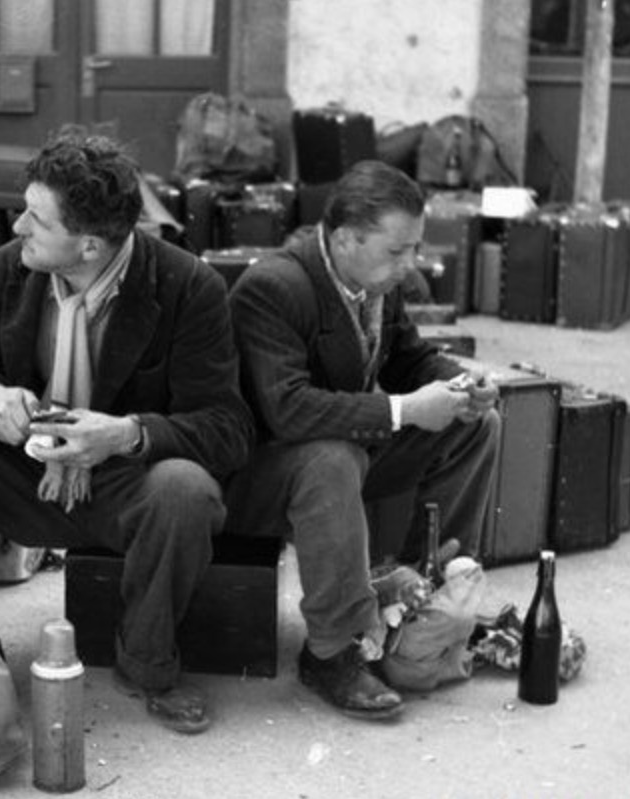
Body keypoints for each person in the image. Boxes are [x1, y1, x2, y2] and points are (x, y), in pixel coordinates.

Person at [0, 133, 253, 735]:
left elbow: (227, 429)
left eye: (37, 219)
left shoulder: (187, 286)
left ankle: (148, 665)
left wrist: (127, 434)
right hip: (24, 471)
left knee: (186, 488)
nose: (18, 226)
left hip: (123, 483)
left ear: (90, 246)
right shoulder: (8, 269)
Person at [224, 160, 499, 721]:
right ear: (346, 238)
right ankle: (332, 651)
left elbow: (409, 359)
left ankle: (426, 588)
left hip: (338, 459)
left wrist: (461, 384)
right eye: (398, 250)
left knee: (476, 422)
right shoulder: (273, 288)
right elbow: (288, 410)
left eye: (415, 248)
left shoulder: (373, 281)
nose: (411, 265)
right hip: (254, 479)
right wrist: (406, 410)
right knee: (334, 457)